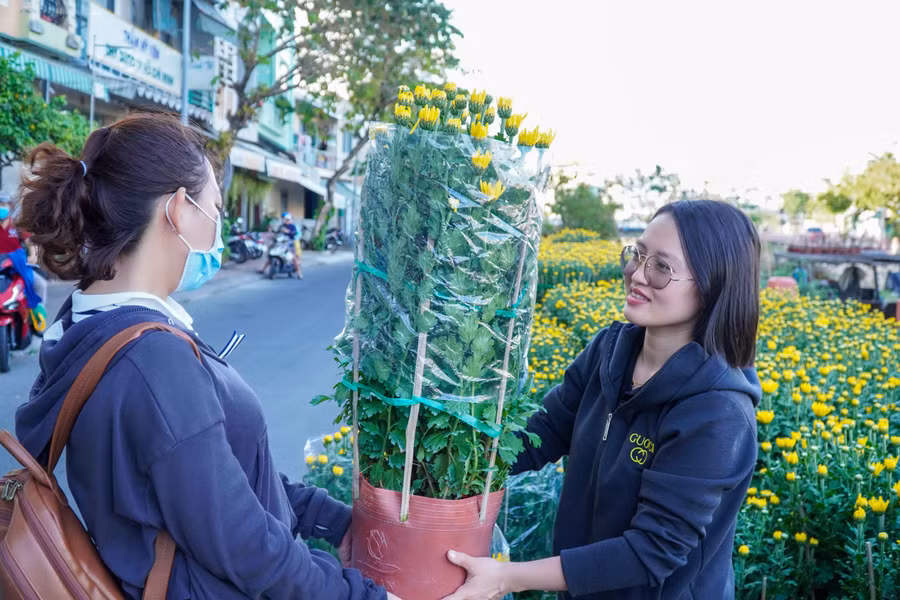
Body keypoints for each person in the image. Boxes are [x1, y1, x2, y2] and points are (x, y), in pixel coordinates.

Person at [13, 113, 400, 600]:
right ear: (179, 209)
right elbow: (246, 546)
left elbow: (222, 472)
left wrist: (330, 520)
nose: (219, 226)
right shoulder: (153, 360)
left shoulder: (87, 322)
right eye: (216, 207)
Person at [444, 200, 762, 600]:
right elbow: (544, 432)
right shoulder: (609, 352)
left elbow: (650, 552)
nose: (637, 274)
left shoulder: (717, 412)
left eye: (661, 267)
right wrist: (452, 461)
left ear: (713, 285)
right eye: (637, 255)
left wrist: (508, 577)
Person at [0, 193, 48, 334]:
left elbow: (30, 242)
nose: (2, 208)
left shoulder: (17, 226)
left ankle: (36, 318)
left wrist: (33, 255)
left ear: (10, 207)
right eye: (0, 204)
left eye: (4, 204)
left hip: (17, 268)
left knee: (40, 284)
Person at [258, 212, 302, 278]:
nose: (286, 221)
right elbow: (277, 233)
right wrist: (271, 233)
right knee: (271, 255)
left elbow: (293, 233)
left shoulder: (292, 227)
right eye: (285, 219)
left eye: (287, 220)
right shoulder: (281, 226)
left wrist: (287, 231)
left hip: (289, 244)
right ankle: (263, 269)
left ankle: (299, 273)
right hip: (280, 244)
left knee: (293, 258)